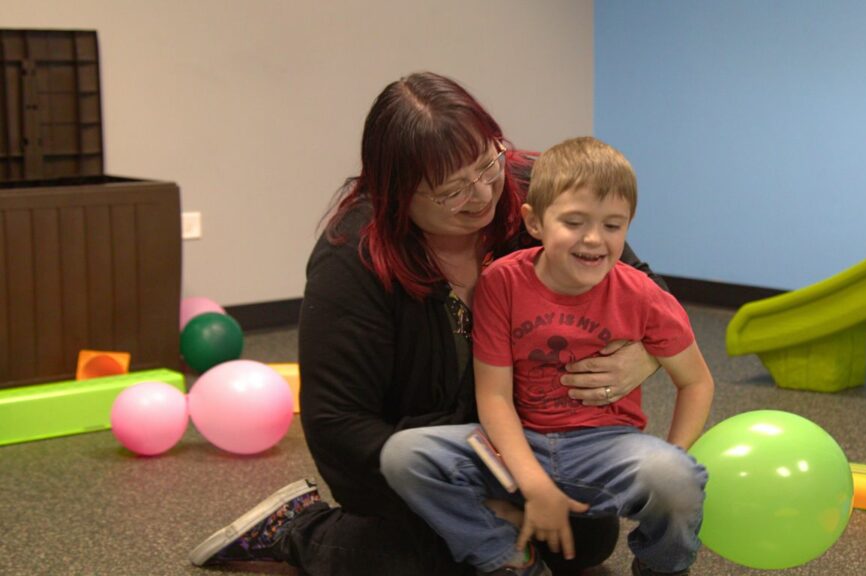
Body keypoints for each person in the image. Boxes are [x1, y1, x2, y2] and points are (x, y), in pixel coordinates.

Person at [188, 73, 670, 575]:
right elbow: (339, 427)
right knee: (435, 559)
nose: (482, 194)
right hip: (431, 458)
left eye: (488, 163)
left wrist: (647, 353)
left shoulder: (537, 191)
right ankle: (299, 530)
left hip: (541, 439)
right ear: (396, 194)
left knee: (585, 546)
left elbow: (649, 293)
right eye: (450, 191)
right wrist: (471, 496)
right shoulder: (352, 260)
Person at [380, 136, 715, 576]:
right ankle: (508, 558)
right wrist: (534, 483)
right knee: (405, 455)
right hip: (516, 444)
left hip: (606, 449)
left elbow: (697, 381)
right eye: (574, 222)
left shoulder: (644, 296)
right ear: (534, 222)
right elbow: (495, 397)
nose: (594, 239)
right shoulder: (502, 282)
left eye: (613, 226)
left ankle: (660, 569)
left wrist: (674, 457)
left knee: (680, 478)